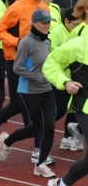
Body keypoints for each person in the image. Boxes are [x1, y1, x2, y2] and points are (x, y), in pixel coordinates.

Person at [0, 0, 52, 166]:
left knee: (39, 106)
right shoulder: (16, 7)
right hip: (16, 62)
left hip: (38, 64)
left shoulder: (45, 8)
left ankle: (38, 149)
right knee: (17, 105)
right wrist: (19, 43)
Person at [0, 10, 57, 178]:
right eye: (44, 22)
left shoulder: (48, 41)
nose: (47, 25)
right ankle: (6, 142)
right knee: (32, 129)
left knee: (49, 127)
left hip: (47, 91)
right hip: (28, 92)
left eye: (49, 22)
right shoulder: (26, 42)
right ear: (34, 23)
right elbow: (17, 67)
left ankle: (40, 164)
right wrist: (38, 77)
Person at [43, 22, 88, 186]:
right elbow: (50, 64)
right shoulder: (79, 43)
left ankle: (61, 183)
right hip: (84, 105)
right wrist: (65, 82)